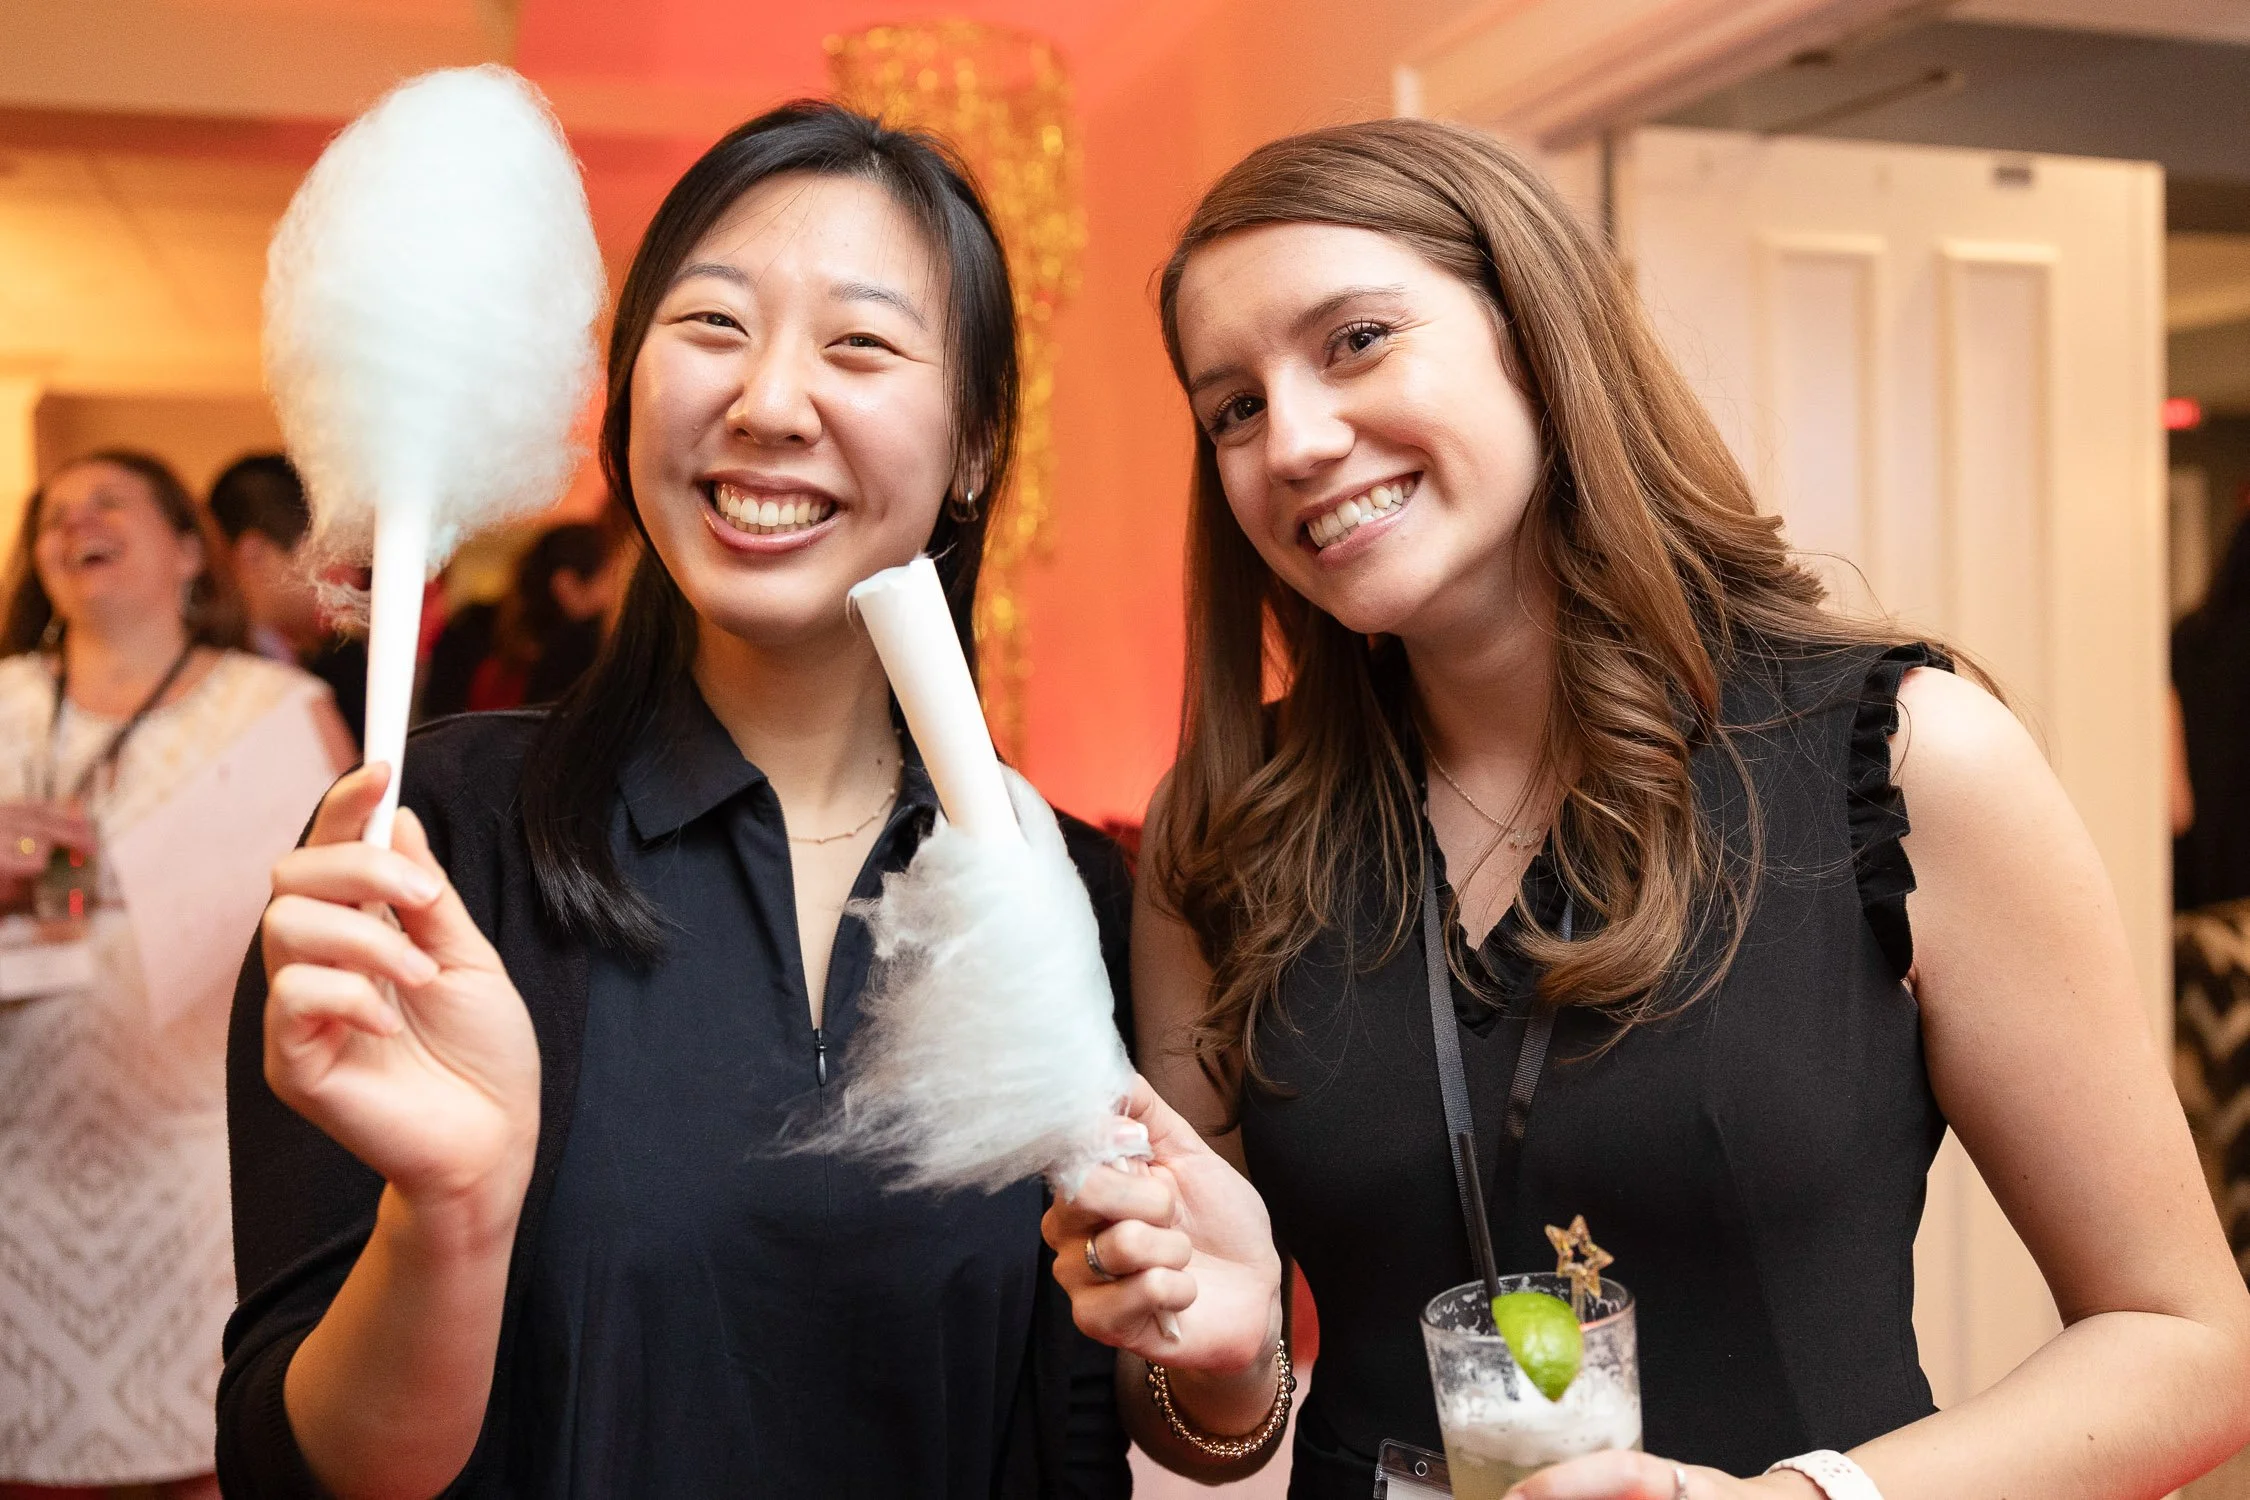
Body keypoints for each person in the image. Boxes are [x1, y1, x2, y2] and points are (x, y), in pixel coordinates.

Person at [1041, 120, 2250, 1499]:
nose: (1295, 441)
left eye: (1356, 339)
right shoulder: (1223, 836)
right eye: (1233, 408)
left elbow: (2185, 1344)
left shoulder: (1906, 761)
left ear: (1538, 341)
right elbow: (1199, 1413)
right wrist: (1216, 1364)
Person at [218, 103, 1134, 1499]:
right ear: (628, 386)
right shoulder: (438, 839)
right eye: (710, 325)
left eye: (860, 344)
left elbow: (1074, 1432)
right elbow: (296, 1468)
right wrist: (451, 1216)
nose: (767, 403)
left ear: (972, 447)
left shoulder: (1067, 896)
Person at [0, 449, 351, 1500]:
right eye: (54, 513)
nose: (75, 522)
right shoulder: (7, 700)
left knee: (211, 1462)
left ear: (190, 549)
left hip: (204, 1174)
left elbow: (350, 908)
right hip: (19, 1177)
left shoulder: (275, 710)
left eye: (107, 501)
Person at [208, 452, 371, 741]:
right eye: (335, 553)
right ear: (255, 554)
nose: (354, 576)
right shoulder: (211, 681)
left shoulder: (310, 661)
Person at [463, 520, 626, 711]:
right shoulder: (575, 658)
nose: (618, 592)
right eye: (610, 577)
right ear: (567, 586)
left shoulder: (495, 658)